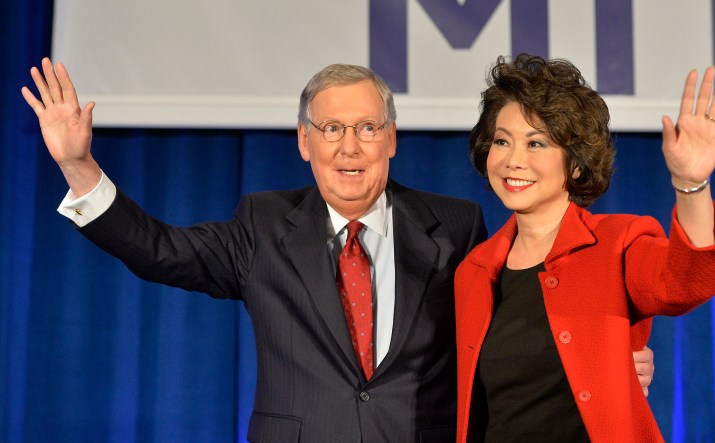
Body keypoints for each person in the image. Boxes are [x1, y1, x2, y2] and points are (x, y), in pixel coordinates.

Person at [22, 57, 654, 442]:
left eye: (366, 128)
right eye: (331, 129)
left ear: (392, 139)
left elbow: (501, 331)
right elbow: (158, 249)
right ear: (304, 141)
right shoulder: (262, 227)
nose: (349, 147)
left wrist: (610, 361)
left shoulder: (455, 226)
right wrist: (79, 168)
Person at [454, 54, 715, 442]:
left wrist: (691, 184)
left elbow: (686, 285)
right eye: (502, 141)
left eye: (536, 143)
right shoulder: (474, 269)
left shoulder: (618, 243)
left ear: (576, 165)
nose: (513, 160)